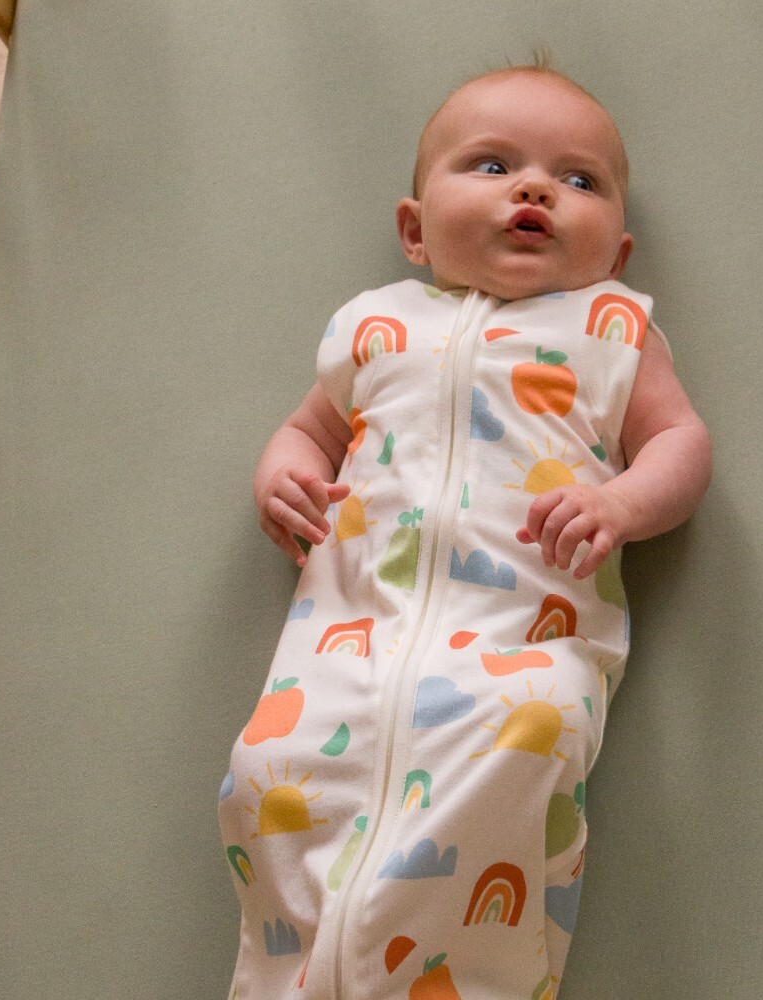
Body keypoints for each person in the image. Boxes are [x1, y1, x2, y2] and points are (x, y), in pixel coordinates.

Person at [219, 61, 712, 1000]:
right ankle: (297, 976)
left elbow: (680, 441)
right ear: (414, 230)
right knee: (263, 775)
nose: (535, 189)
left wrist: (623, 504)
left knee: (520, 753)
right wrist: (281, 477)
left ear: (617, 253)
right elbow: (308, 430)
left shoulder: (611, 329)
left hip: (519, 650)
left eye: (579, 180)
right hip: (344, 645)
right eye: (491, 165)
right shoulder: (375, 326)